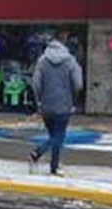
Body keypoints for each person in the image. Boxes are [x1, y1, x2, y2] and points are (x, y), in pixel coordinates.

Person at [29, 32, 83, 176]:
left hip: (46, 105)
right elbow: (78, 83)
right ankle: (38, 152)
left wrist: (39, 100)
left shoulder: (42, 61)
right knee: (58, 136)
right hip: (64, 104)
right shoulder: (70, 61)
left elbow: (35, 83)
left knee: (54, 135)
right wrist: (73, 96)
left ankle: (54, 166)